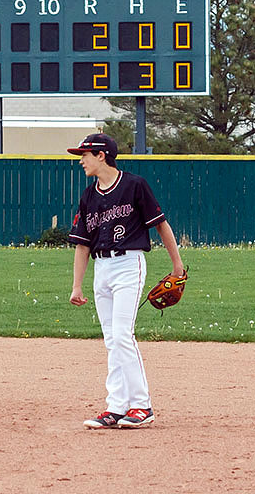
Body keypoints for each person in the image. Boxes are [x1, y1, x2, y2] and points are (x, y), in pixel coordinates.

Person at [66, 133, 183, 429]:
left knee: (121, 335)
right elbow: (82, 244)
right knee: (111, 340)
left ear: (101, 155)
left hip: (129, 264)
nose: (81, 160)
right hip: (101, 268)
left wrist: (177, 265)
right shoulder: (89, 196)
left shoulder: (134, 185)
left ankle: (142, 405)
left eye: (85, 155)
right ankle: (116, 407)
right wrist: (77, 285)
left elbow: (161, 225)